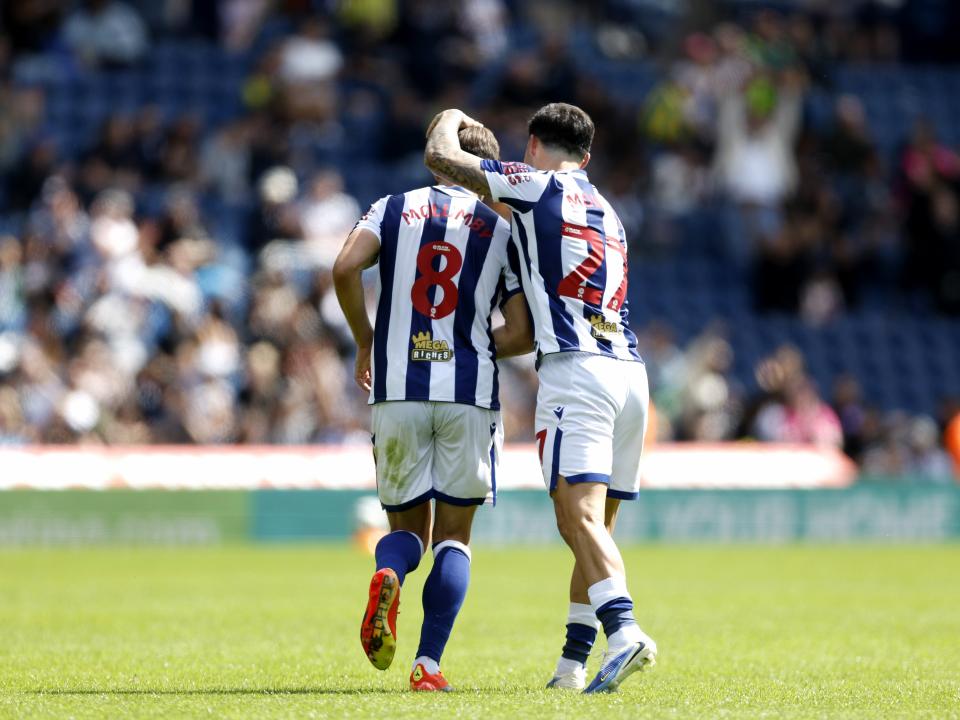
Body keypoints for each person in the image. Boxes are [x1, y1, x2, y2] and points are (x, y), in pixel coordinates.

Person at [424, 102, 656, 693]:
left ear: (532, 145)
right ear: (588, 154)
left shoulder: (533, 183)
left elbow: (442, 160)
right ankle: (573, 665)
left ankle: (625, 631)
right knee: (591, 524)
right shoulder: (609, 210)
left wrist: (450, 114)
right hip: (629, 373)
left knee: (577, 516)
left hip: (576, 372)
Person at [333, 126, 532, 692]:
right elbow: (520, 330)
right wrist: (472, 343)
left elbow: (345, 268)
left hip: (396, 388)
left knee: (407, 532)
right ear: (483, 171)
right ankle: (428, 665)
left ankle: (389, 571)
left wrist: (364, 338)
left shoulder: (391, 208)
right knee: (453, 538)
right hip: (467, 393)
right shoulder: (501, 227)